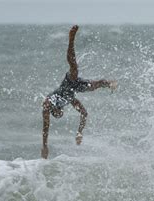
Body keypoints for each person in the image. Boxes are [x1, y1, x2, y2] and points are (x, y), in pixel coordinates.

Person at [41, 25, 117, 159]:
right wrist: (79, 133)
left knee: (74, 67)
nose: (60, 113)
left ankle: (71, 39)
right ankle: (109, 83)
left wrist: (45, 145)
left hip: (68, 83)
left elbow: (46, 128)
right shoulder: (68, 101)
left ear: (55, 111)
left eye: (58, 114)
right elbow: (84, 113)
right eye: (61, 114)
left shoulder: (49, 103)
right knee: (95, 86)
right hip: (75, 88)